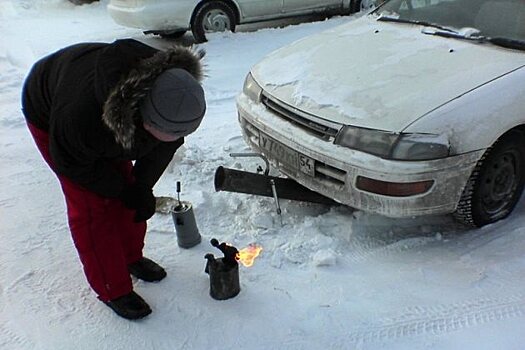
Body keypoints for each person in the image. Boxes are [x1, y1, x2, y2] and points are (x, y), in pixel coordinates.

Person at [21, 39, 206, 320]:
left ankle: (131, 257)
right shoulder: (79, 119)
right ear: (145, 119)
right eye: (163, 134)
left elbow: (163, 146)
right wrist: (122, 190)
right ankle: (112, 288)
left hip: (111, 111)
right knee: (93, 207)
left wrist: (140, 186)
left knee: (130, 192)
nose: (172, 140)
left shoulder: (176, 93)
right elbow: (73, 165)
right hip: (53, 113)